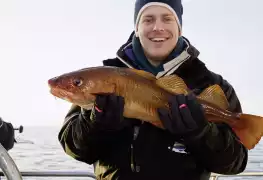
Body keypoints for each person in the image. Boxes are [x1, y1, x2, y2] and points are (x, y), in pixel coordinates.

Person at [58, 0, 248, 179]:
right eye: (148, 19)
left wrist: (201, 133)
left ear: (179, 27)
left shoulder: (211, 83)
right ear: (137, 27)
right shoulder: (104, 76)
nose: (158, 27)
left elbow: (235, 162)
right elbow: (75, 149)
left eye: (167, 18)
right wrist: (95, 125)